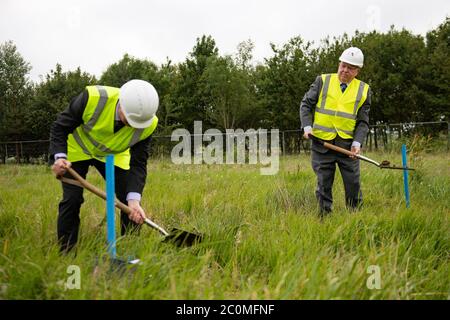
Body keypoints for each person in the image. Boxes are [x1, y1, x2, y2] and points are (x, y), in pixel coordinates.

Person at [49, 79, 159, 252]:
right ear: (121, 103)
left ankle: (128, 250)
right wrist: (59, 157)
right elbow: (60, 128)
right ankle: (67, 252)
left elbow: (138, 163)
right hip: (78, 150)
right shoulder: (93, 98)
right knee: (72, 199)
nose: (132, 126)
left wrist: (134, 200)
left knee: (129, 202)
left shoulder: (148, 123)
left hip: (114, 154)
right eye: (129, 120)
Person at [300, 47, 371, 216]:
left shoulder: (364, 90)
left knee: (353, 183)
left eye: (350, 68)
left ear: (357, 71)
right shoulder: (322, 81)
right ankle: (325, 218)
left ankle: (355, 217)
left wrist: (357, 143)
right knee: (323, 183)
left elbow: (362, 122)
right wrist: (307, 127)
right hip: (321, 143)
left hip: (347, 147)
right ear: (339, 63)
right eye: (343, 65)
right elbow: (305, 105)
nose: (345, 70)